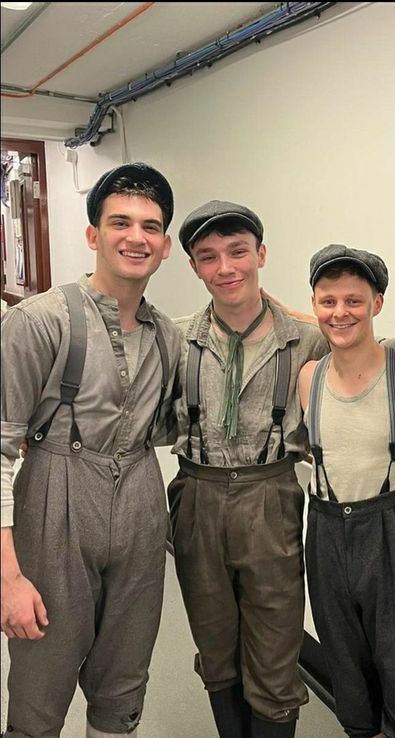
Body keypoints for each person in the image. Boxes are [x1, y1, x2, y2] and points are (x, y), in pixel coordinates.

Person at [0, 163, 180, 738]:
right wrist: (7, 578)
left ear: (166, 245)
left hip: (142, 506)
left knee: (123, 683)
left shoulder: (168, 337)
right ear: (92, 235)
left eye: (150, 227)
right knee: (41, 684)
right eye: (120, 222)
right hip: (54, 502)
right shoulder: (37, 322)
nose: (136, 237)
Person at [165, 200, 327, 738]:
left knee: (277, 644)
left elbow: (373, 352)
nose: (226, 267)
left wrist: (301, 314)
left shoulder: (306, 339)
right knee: (214, 645)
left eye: (238, 252)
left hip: (270, 497)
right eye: (209, 257)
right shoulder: (177, 339)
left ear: (261, 253)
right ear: (194, 267)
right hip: (196, 495)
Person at [298, 245, 395, 738]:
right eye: (328, 302)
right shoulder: (309, 377)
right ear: (314, 304)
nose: (340, 313)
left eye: (353, 300)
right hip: (324, 526)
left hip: (388, 528)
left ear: (377, 303)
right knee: (342, 651)